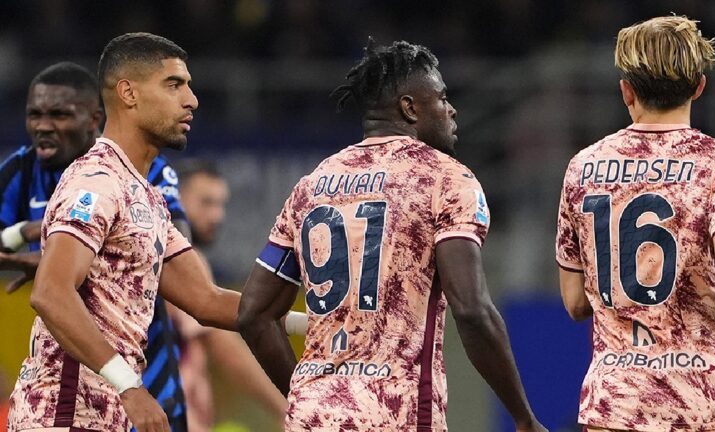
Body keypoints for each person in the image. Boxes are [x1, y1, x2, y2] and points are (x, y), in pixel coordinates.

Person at [237, 39, 546, 432]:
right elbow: (471, 310)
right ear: (410, 107)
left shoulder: (312, 184)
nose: (451, 110)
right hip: (395, 413)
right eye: (442, 97)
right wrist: (523, 417)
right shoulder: (445, 178)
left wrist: (307, 395)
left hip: (311, 415)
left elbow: (253, 314)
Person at [8, 33, 241, 432]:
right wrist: (131, 386)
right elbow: (50, 292)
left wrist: (316, 318)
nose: (192, 99)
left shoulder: (144, 194)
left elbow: (207, 300)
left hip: (101, 418)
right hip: (61, 416)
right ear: (128, 94)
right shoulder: (96, 181)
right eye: (174, 84)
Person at [555, 15, 715, 432]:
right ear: (699, 86)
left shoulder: (584, 166)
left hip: (615, 403)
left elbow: (576, 302)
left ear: (626, 90)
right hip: (706, 400)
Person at [170, 160, 292, 430]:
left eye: (220, 204)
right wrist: (287, 407)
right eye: (206, 202)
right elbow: (224, 348)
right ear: (176, 198)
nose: (217, 216)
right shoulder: (178, 259)